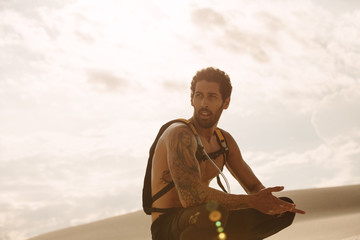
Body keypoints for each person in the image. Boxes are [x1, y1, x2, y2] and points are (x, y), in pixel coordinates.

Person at [148, 67, 305, 240]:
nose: (204, 103)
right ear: (191, 99)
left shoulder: (224, 141)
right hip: (168, 227)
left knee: (284, 211)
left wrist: (267, 200)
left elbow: (253, 188)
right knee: (214, 212)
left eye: (212, 96)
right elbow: (190, 197)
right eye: (199, 95)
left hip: (204, 223)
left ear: (226, 102)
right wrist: (251, 201)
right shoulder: (179, 134)